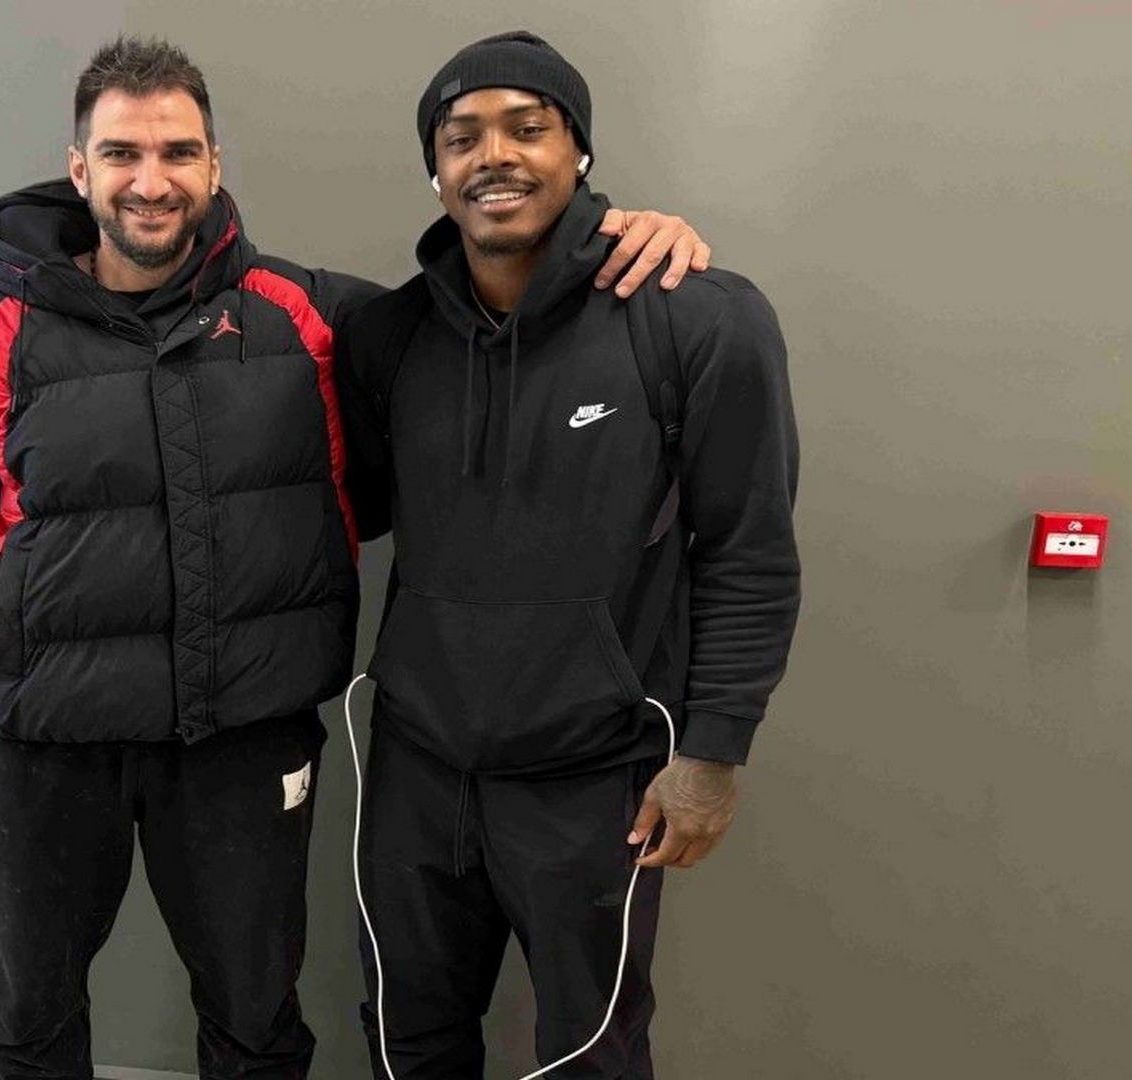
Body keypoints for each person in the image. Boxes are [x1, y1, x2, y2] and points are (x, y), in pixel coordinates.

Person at [0, 35, 712, 1080]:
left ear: (215, 164)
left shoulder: (314, 316)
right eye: (122, 154)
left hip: (242, 741)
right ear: (80, 170)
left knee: (257, 1021)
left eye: (179, 152)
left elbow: (492, 300)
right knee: (30, 1020)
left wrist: (609, 237)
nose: (151, 181)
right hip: (40, 743)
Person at [337, 31, 802, 1079]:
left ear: (579, 150)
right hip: (417, 769)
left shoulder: (695, 317)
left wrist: (714, 754)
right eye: (462, 137)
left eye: (527, 128)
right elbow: (355, 508)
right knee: (405, 1041)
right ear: (435, 168)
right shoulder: (388, 338)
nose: (494, 156)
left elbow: (750, 552)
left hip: (596, 778)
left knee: (591, 1057)